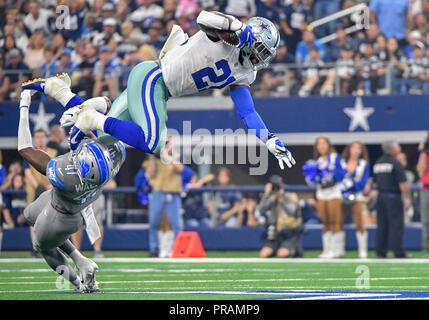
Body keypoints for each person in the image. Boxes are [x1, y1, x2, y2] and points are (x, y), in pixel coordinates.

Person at [23, 11, 296, 172]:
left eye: (264, 54)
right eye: (260, 49)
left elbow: (246, 111)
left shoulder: (247, 71)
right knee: (153, 141)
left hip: (159, 91)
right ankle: (92, 116)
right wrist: (239, 27)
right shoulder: (226, 33)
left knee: (105, 139)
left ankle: (62, 92)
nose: (260, 58)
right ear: (251, 37)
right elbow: (203, 17)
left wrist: (268, 138)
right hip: (153, 78)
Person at [17, 90, 126, 292]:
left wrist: (24, 107)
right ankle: (81, 259)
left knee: (43, 247)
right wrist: (82, 109)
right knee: (29, 215)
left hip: (60, 216)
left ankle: (80, 285)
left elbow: (25, 149)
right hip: (74, 210)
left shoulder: (66, 177)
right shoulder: (117, 157)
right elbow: (107, 106)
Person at [303, 137, 345, 258]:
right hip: (321, 192)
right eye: (319, 144)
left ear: (328, 145)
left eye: (324, 144)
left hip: (333, 190)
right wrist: (311, 178)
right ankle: (327, 249)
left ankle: (337, 249)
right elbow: (312, 181)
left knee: (334, 220)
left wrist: (327, 175)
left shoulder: (335, 158)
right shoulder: (317, 161)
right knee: (325, 221)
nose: (321, 146)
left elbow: (340, 174)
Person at [144, 139, 184, 257]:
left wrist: (168, 156)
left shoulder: (175, 155)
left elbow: (180, 169)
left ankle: (179, 249)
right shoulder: (155, 159)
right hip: (158, 192)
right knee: (154, 222)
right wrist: (153, 156)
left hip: (173, 193)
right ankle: (154, 249)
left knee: (176, 224)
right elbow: (149, 173)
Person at [373, 140, 411, 258]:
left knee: (382, 225)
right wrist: (408, 197)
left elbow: (375, 182)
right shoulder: (395, 162)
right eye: (398, 146)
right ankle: (398, 251)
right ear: (392, 149)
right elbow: (403, 183)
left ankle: (380, 251)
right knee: (396, 225)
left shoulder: (378, 162)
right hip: (393, 196)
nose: (399, 148)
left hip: (380, 196)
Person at [259, 175, 304, 258]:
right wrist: (266, 195)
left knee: (282, 254)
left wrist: (281, 199)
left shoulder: (290, 196)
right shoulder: (271, 198)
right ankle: (276, 249)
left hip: (288, 232)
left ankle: (295, 249)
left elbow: (292, 211)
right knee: (264, 254)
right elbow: (261, 210)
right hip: (275, 233)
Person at [340, 142, 371, 258]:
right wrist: (344, 187)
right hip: (341, 194)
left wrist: (352, 186)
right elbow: (339, 177)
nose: (356, 150)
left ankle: (363, 251)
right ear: (349, 149)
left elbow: (364, 181)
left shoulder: (364, 164)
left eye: (359, 148)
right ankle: (338, 250)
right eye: (354, 148)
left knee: (359, 222)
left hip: (356, 195)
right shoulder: (342, 163)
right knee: (338, 222)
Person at [71, 180, 117, 259]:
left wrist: (96, 187)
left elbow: (112, 185)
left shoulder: (100, 168)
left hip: (95, 196)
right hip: (79, 195)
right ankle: (76, 251)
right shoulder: (75, 168)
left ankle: (97, 250)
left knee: (97, 222)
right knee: (76, 223)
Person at [417, 139, 429, 258]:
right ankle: (427, 249)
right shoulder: (424, 156)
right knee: (426, 221)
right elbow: (420, 170)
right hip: (426, 190)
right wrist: (422, 152)